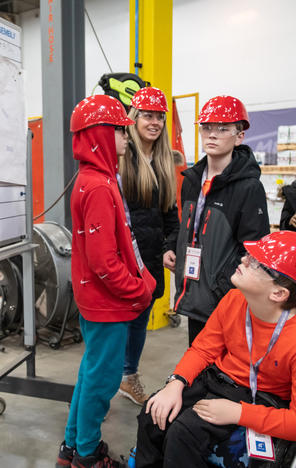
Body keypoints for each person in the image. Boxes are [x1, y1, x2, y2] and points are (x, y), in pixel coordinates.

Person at [135, 231, 296, 468]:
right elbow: (203, 349)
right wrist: (176, 382)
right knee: (151, 415)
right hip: (218, 379)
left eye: (256, 263)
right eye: (249, 254)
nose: (244, 259)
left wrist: (238, 413)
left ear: (278, 293)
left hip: (262, 398)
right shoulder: (234, 300)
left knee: (183, 433)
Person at [57, 94, 156, 468]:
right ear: (100, 134)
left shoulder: (96, 178)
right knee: (102, 381)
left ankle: (72, 446)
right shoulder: (98, 186)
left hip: (97, 300)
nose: (126, 138)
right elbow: (103, 260)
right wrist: (138, 290)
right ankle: (87, 454)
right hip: (107, 304)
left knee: (90, 373)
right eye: (120, 130)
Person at [167, 95, 269, 345]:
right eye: (207, 128)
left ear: (239, 135)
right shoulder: (192, 179)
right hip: (192, 289)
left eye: (223, 129)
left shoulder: (249, 187)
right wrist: (173, 249)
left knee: (222, 366)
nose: (212, 135)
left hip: (224, 296)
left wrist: (224, 285)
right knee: (196, 358)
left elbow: (253, 249)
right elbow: (188, 226)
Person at [117, 87, 179, 406]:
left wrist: (171, 245)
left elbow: (170, 212)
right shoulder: (123, 156)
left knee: (140, 319)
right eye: (147, 115)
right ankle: (106, 381)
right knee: (116, 324)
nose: (154, 122)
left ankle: (129, 376)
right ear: (134, 118)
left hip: (151, 257)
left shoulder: (164, 160)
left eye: (159, 117)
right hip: (125, 257)